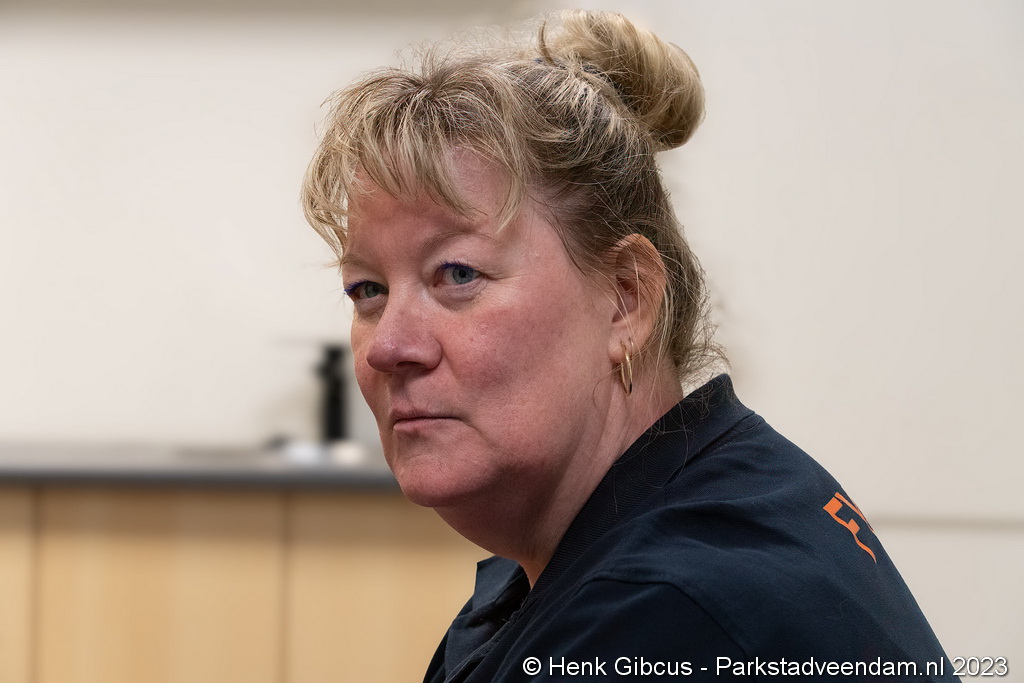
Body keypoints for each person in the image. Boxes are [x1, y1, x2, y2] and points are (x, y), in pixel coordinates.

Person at [301, 10, 957, 682]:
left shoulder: (663, 616)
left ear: (626, 298)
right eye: (366, 290)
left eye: (458, 274)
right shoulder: (734, 489)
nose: (388, 347)